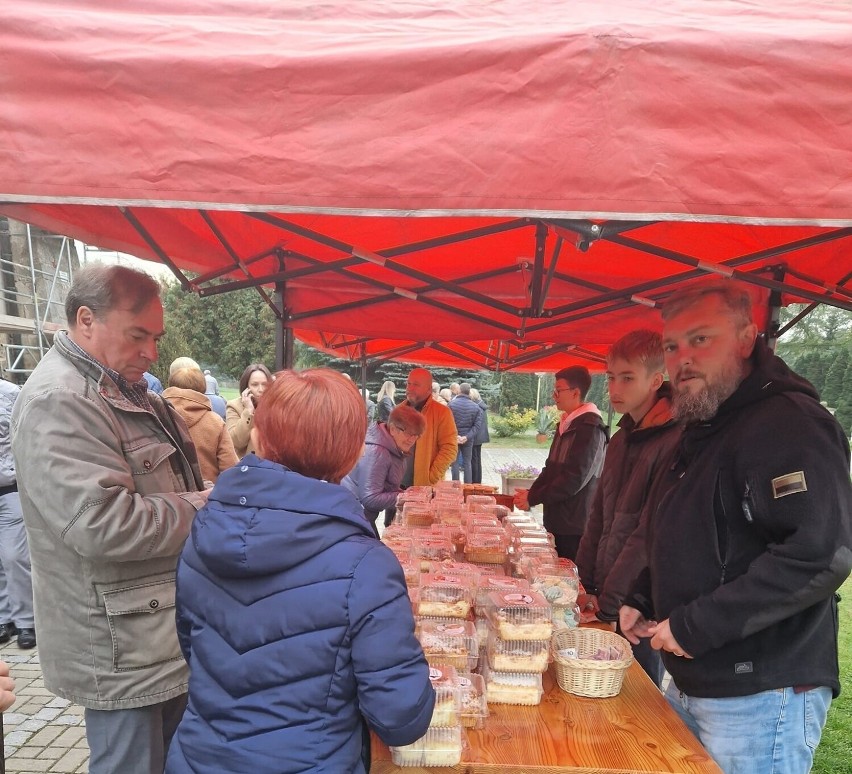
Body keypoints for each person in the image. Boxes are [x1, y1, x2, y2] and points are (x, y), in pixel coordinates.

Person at [619, 281, 852, 774]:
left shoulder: (789, 424)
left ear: (747, 339)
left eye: (701, 339)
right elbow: (683, 534)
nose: (683, 358)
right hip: (695, 675)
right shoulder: (703, 427)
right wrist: (642, 598)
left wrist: (694, 626)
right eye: (672, 345)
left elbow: (817, 553)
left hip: (760, 690)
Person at [166, 369, 435, 774]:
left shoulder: (202, 530)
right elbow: (400, 717)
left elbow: (193, 647)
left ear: (260, 437)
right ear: (349, 457)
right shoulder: (367, 566)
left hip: (197, 760)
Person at [10, 263, 208, 774]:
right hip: (121, 647)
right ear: (85, 321)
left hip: (152, 631)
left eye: (156, 337)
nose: (151, 352)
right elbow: (103, 524)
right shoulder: (61, 399)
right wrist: (209, 504)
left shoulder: (118, 386)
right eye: (137, 335)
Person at [575, 330, 681, 687]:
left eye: (627, 377)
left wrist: (611, 602)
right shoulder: (620, 438)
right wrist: (585, 581)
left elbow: (648, 535)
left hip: (640, 601)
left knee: (637, 688)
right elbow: (599, 516)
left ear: (656, 380)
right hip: (606, 589)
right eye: (611, 377)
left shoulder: (674, 441)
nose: (615, 388)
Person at [514, 366, 606, 561]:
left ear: (575, 392)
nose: (554, 395)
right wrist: (531, 494)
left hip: (574, 523)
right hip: (557, 518)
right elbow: (551, 467)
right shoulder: (567, 423)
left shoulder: (590, 428)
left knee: (567, 579)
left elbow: (574, 479)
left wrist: (534, 497)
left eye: (558, 390)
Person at [342, 404, 425, 535]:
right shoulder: (377, 452)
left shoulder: (394, 447)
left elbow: (386, 486)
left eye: (416, 435)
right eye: (409, 433)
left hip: (360, 516)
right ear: (392, 429)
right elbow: (370, 498)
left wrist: (406, 494)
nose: (412, 440)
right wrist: (406, 497)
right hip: (353, 520)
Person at [0, 378, 36, 649]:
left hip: (9, 488)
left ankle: (27, 621)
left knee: (15, 557)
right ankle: (5, 618)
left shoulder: (12, 394)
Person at [163, 367, 238, 484]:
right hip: (207, 496)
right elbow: (230, 469)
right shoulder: (214, 422)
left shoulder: (155, 417)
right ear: (203, 388)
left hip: (165, 498)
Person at [400, 367, 457, 487]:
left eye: (416, 385)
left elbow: (450, 448)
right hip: (397, 486)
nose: (410, 388)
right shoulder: (399, 410)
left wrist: (431, 477)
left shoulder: (442, 413)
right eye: (408, 383)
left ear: (429, 389)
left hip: (425, 489)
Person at [226, 363, 272, 457]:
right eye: (255, 385)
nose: (261, 389)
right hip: (247, 467)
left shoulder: (275, 406)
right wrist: (248, 411)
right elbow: (236, 442)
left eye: (265, 384)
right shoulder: (234, 406)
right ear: (246, 387)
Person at [448, 383, 483, 483]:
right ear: (469, 392)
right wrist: (467, 437)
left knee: (454, 462)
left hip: (454, 437)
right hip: (468, 438)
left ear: (459, 391)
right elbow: (477, 426)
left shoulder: (451, 405)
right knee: (467, 462)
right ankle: (467, 486)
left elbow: (447, 422)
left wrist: (456, 436)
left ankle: (455, 486)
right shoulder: (476, 407)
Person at [469, 387, 490, 485]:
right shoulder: (482, 405)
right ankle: (478, 480)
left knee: (473, 459)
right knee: (477, 459)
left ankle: (474, 480)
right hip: (481, 435)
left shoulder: (475, 406)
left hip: (475, 435)